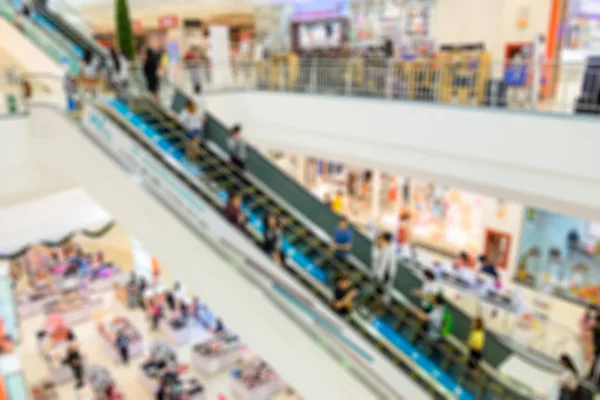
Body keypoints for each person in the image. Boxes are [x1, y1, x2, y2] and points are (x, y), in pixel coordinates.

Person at [371, 232, 396, 298]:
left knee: (379, 295)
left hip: (384, 276)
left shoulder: (387, 249)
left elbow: (383, 265)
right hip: (385, 276)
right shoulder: (388, 249)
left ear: (385, 240)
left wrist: (379, 276)